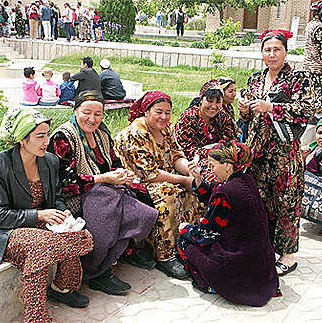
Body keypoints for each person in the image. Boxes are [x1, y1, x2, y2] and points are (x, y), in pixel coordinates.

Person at [0, 107, 94, 323]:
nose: (46, 141)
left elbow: (55, 197)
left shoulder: (49, 161)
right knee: (42, 247)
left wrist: (60, 211)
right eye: (40, 136)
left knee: (79, 235)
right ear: (22, 138)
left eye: (47, 134)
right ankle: (35, 316)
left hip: (38, 226)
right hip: (6, 230)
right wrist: (39, 215)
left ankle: (62, 287)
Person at [48, 90, 158, 296]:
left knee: (141, 202)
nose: (92, 119)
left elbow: (114, 162)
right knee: (109, 205)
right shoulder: (63, 137)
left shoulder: (101, 133)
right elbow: (65, 183)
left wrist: (120, 173)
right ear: (75, 110)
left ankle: (121, 254)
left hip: (104, 190)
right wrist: (103, 179)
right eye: (86, 113)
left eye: (98, 114)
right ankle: (97, 271)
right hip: (78, 197)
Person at [238, 29, 313, 276]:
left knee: (286, 201)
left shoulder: (297, 80)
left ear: (286, 52)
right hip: (257, 151)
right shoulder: (255, 79)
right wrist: (245, 109)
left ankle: (288, 254)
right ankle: (265, 245)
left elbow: (305, 110)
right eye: (267, 50)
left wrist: (272, 107)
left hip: (283, 152)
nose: (271, 55)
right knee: (259, 199)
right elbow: (247, 116)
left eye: (276, 50)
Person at [115, 91, 205, 280]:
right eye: (158, 112)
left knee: (197, 190)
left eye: (168, 112)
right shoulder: (134, 134)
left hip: (165, 176)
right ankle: (165, 255)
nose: (164, 117)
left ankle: (188, 243)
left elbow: (177, 156)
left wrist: (190, 171)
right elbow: (148, 173)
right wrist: (182, 180)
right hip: (138, 182)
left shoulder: (167, 130)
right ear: (146, 111)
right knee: (169, 194)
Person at [177, 140, 280, 306]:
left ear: (227, 165)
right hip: (262, 272)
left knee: (184, 241)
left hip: (238, 269)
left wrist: (186, 229)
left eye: (212, 164)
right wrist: (197, 178)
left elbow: (205, 235)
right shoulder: (245, 180)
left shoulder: (226, 192)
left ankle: (211, 284)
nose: (210, 168)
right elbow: (213, 192)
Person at [175, 79, 239, 182]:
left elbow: (230, 140)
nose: (213, 106)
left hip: (219, 158)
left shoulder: (222, 116)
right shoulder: (188, 117)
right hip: (193, 160)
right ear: (201, 99)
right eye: (209, 101)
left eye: (218, 102)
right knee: (212, 175)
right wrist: (209, 153)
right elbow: (184, 147)